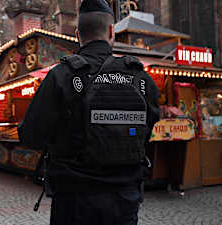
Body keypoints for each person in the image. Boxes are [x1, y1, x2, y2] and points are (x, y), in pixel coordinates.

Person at [18, 0, 160, 224]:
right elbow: (148, 130)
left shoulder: (61, 76)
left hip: (74, 201)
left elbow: (30, 136)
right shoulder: (141, 79)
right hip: (124, 199)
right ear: (111, 31)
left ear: (77, 34)